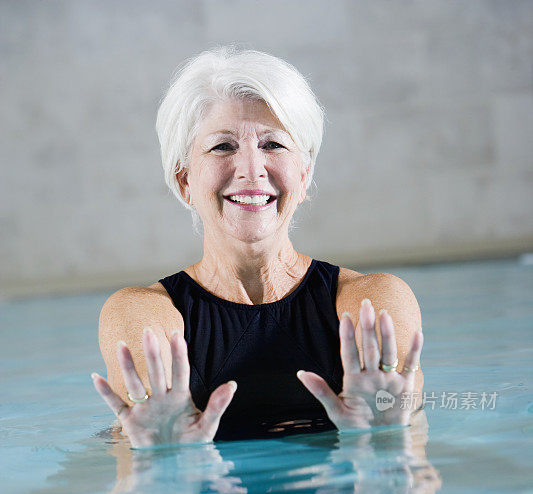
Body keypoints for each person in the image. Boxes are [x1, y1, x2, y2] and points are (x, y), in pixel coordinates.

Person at [91, 46, 424, 447]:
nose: (251, 169)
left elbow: (413, 473)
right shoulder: (141, 315)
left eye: (273, 145)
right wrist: (165, 460)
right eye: (222, 146)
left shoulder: (374, 303)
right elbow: (136, 489)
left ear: (303, 176)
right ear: (184, 182)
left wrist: (387, 440)